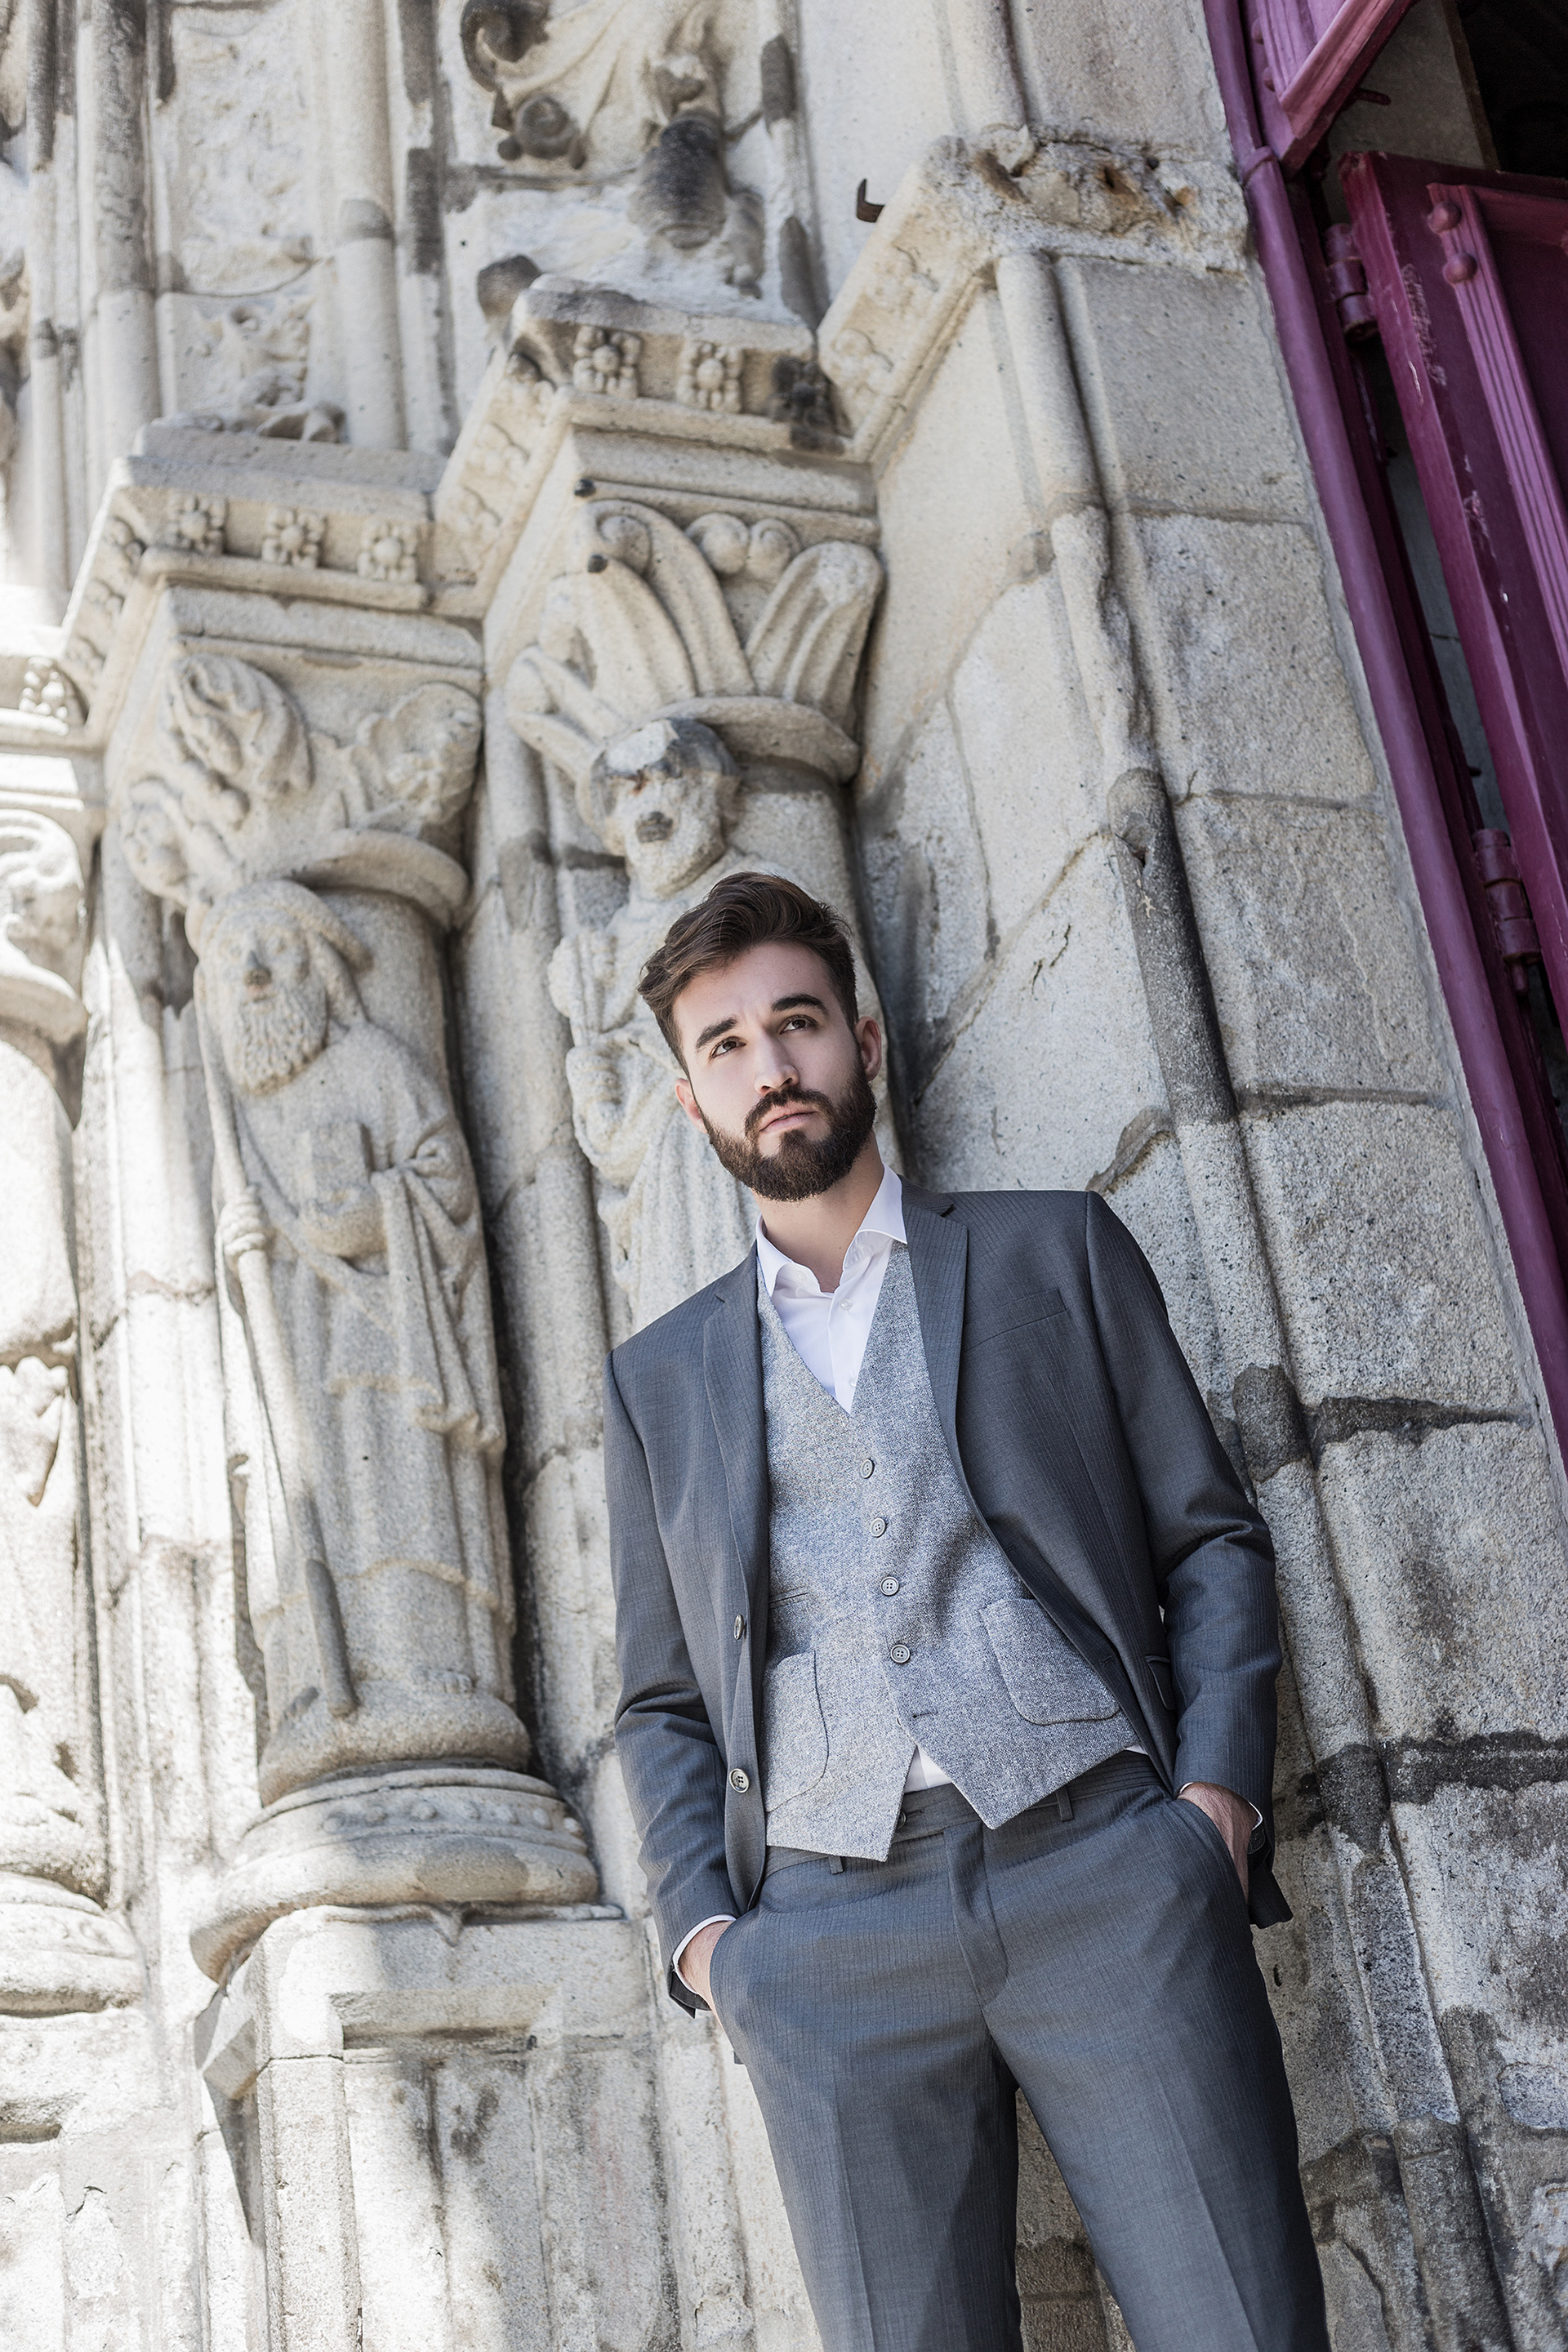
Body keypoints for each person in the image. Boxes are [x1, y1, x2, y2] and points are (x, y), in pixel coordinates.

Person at [604, 870, 1329, 2350]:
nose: (771, 1066)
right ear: (691, 1102)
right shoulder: (658, 1380)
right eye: (726, 1046)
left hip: (1106, 1869)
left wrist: (1210, 1811)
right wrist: (712, 1946)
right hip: (824, 1939)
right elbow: (663, 1696)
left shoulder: (1053, 1250)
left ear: (863, 1040)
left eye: (797, 1023)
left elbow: (1210, 1539)